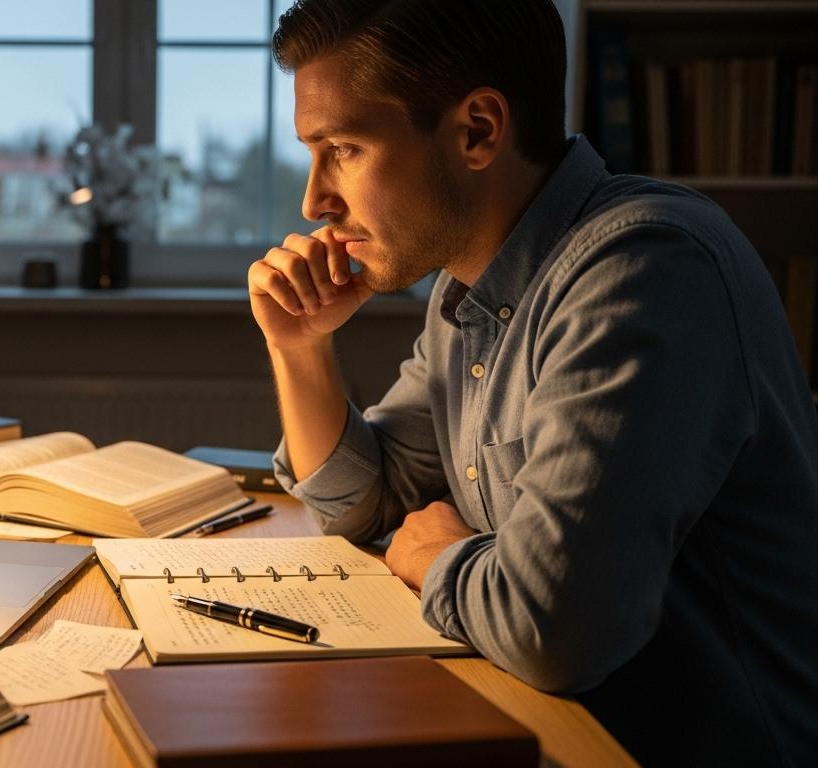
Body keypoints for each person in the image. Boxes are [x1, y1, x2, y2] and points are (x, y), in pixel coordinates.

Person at [251, 1, 818, 764]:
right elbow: (364, 500)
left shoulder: (642, 273)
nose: (315, 200)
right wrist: (299, 349)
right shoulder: (471, 290)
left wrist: (436, 557)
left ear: (479, 130)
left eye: (344, 148)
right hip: (552, 726)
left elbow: (554, 630)